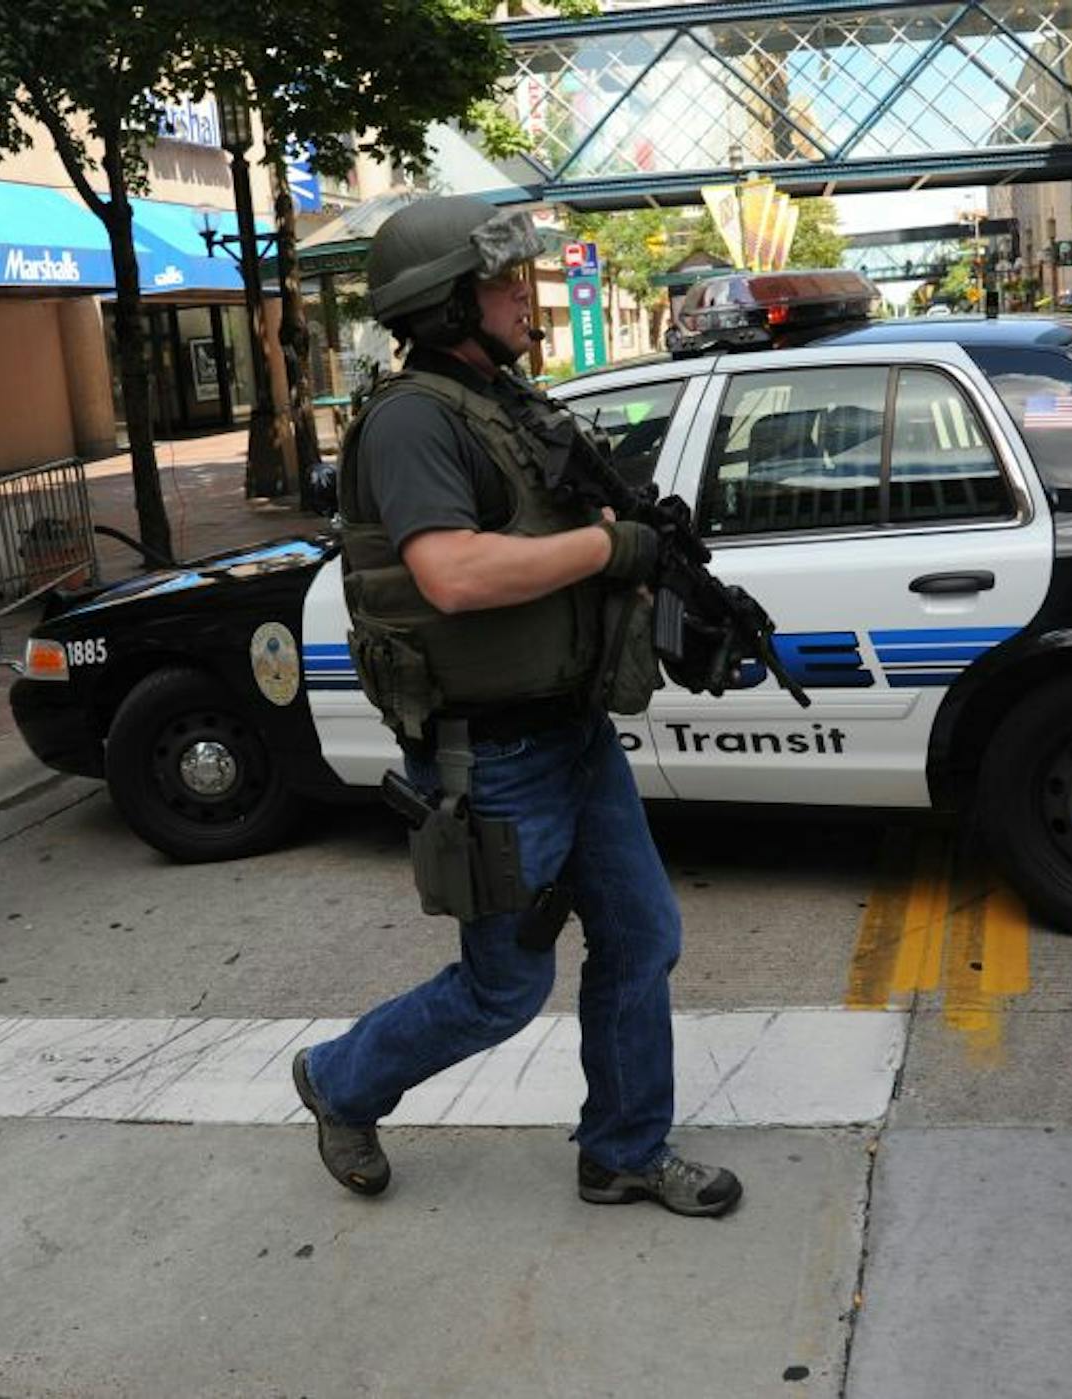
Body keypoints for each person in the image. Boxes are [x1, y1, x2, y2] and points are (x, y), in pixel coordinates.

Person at [290, 195, 741, 1218]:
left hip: (571, 734)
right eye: (502, 284)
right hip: (488, 759)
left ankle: (624, 1149)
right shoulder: (411, 421)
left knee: (642, 937)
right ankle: (341, 1080)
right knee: (504, 990)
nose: (524, 299)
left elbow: (549, 524)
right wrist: (607, 548)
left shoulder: (502, 401)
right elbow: (450, 574)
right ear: (448, 305)